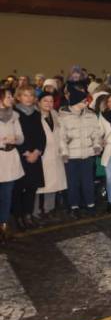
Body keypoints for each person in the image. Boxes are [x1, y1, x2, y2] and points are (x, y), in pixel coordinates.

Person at [59, 84, 103, 218]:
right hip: (71, 156)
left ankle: (90, 204)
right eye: (84, 101)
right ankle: (74, 206)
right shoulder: (63, 116)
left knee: (88, 181)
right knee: (73, 182)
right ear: (75, 102)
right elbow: (61, 137)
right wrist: (64, 153)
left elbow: (96, 132)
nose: (86, 102)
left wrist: (97, 145)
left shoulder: (90, 115)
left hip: (88, 154)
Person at [12, 86, 45, 230]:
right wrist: (26, 152)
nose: (29, 98)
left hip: (35, 156)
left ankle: (28, 215)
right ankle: (18, 217)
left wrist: (37, 152)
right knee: (18, 189)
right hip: (20, 156)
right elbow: (14, 136)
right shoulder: (13, 114)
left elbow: (41, 135)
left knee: (32, 188)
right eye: (25, 95)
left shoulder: (36, 114)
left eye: (31, 95)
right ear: (18, 97)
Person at [34, 92, 65, 219]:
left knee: (53, 183)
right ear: (39, 102)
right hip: (40, 154)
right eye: (45, 101)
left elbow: (61, 134)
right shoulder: (35, 116)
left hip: (54, 154)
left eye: (51, 101)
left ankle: (49, 209)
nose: (48, 103)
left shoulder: (55, 115)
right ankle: (34, 211)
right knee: (36, 186)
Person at [0, 88, 25, 242]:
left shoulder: (15, 116)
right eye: (8, 96)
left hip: (10, 158)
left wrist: (14, 139)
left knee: (7, 195)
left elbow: (21, 137)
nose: (11, 98)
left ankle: (3, 226)